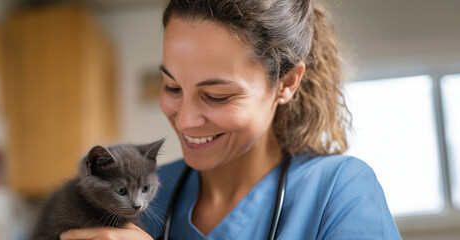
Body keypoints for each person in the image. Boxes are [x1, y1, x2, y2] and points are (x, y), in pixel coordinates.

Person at [62, 0, 401, 239]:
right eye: (172, 87)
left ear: (286, 83)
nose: (185, 122)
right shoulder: (140, 192)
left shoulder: (340, 192)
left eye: (217, 96)